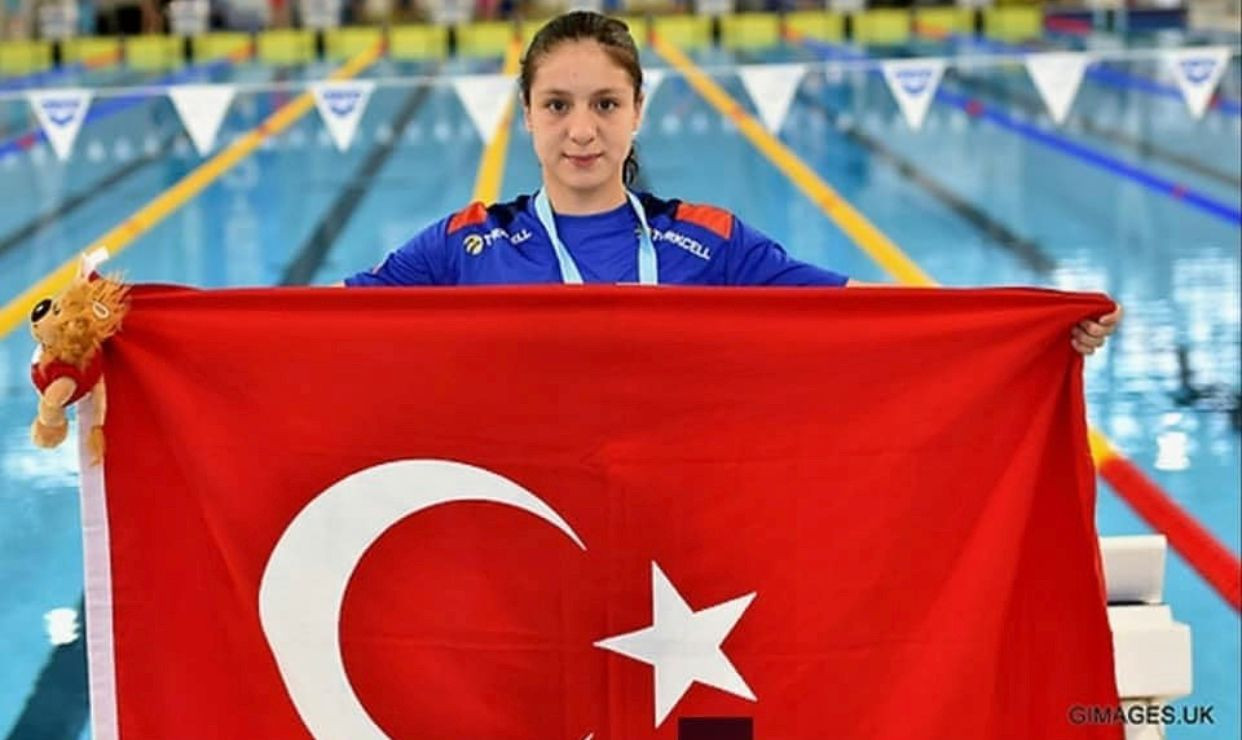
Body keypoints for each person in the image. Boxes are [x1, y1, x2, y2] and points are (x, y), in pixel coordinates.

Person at [342, 11, 1121, 355]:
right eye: (557, 105)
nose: (581, 131)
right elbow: (319, 330)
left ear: (638, 112)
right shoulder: (464, 245)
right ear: (526, 115)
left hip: (679, 547)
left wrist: (1030, 326)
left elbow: (866, 317)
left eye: (605, 104)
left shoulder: (711, 243)